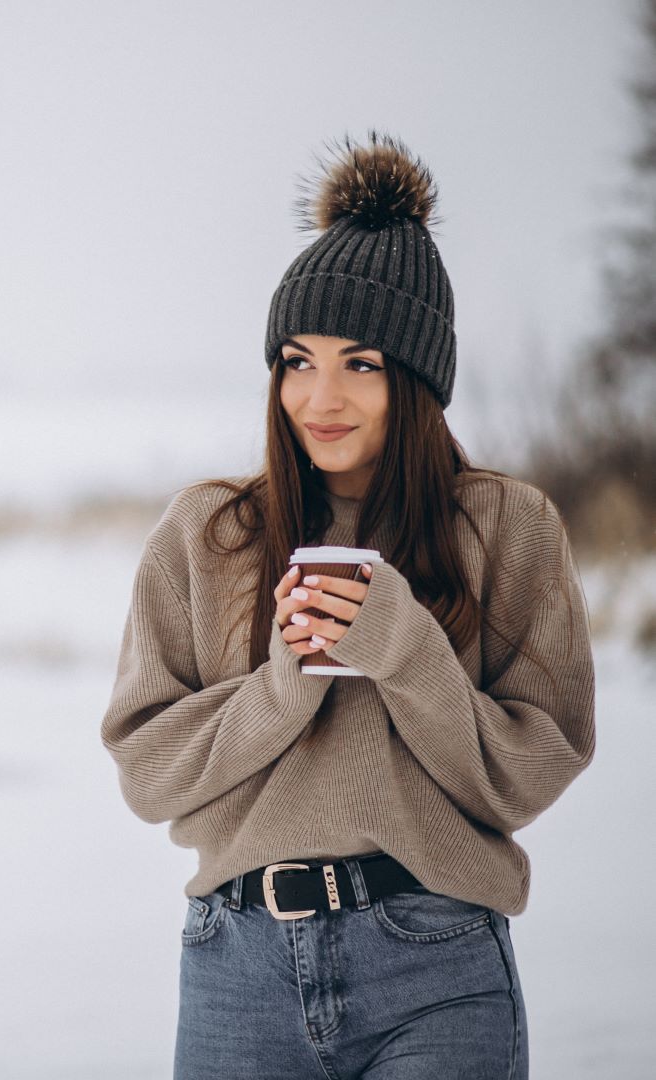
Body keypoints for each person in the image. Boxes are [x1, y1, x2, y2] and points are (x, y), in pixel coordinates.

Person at [99, 131, 596, 1080]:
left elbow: (532, 771)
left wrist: (406, 652)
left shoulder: (507, 527)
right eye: (296, 359)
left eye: (360, 363)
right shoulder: (208, 536)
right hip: (236, 970)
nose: (319, 396)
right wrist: (286, 685)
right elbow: (147, 771)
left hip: (434, 963)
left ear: (415, 378)